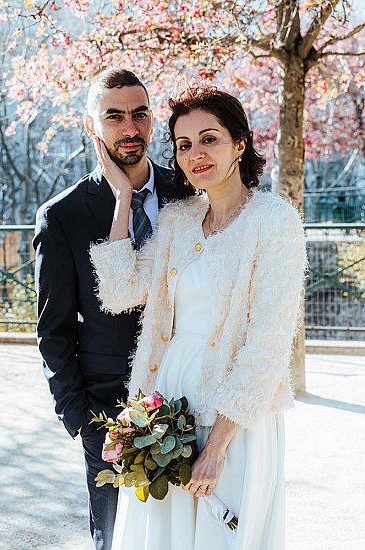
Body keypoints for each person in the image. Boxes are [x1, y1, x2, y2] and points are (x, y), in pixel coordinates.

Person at [89, 85, 307, 550]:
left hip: (235, 411)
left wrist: (219, 446)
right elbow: (119, 290)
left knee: (221, 533)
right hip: (168, 400)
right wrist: (122, 197)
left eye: (209, 139)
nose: (195, 154)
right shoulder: (180, 218)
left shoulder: (275, 222)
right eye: (184, 145)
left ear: (241, 143)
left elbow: (267, 343)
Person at [33, 68, 193, 550]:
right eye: (114, 116)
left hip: (189, 397)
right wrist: (79, 418)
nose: (130, 128)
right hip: (110, 413)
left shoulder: (189, 193)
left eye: (139, 114)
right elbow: (53, 331)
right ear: (92, 126)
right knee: (116, 540)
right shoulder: (62, 215)